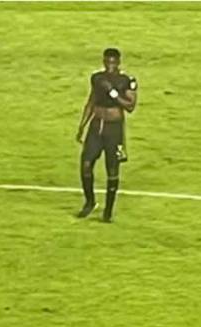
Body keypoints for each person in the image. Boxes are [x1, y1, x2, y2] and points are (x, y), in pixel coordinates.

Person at [75, 48, 137, 223]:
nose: (109, 66)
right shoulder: (97, 78)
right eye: (107, 62)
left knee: (112, 169)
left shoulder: (127, 81)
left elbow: (130, 106)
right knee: (86, 163)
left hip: (114, 129)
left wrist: (114, 94)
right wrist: (82, 125)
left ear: (118, 62)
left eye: (112, 62)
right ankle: (90, 202)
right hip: (96, 126)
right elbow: (92, 101)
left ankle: (108, 211)